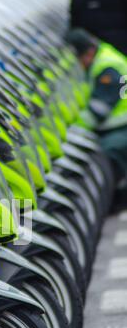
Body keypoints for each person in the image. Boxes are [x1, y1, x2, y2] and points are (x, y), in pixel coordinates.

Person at [68, 28, 127, 209]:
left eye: (79, 58)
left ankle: (116, 201)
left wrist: (69, 132)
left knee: (108, 154)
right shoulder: (101, 59)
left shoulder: (108, 68)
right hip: (116, 125)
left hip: (122, 127)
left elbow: (98, 110)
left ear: (89, 52)